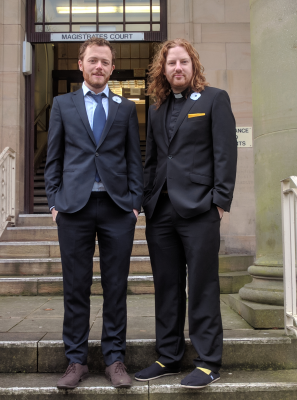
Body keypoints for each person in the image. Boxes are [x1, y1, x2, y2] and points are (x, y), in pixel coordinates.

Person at [134, 38, 237, 389]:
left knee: (204, 285)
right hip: (161, 211)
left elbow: (225, 152)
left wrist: (220, 200)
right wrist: (148, 200)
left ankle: (208, 361)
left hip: (200, 209)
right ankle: (168, 355)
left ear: (193, 66)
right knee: (166, 285)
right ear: (162, 69)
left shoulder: (214, 99)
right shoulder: (158, 105)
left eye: (183, 62)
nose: (177, 68)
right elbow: (153, 160)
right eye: (171, 63)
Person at [45, 37, 143, 390]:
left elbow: (135, 159)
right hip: (74, 208)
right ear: (81, 65)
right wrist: (54, 202)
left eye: (105, 61)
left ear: (112, 68)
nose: (99, 66)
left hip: (118, 209)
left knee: (116, 286)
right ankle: (76, 361)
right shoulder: (62, 104)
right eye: (93, 61)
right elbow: (53, 157)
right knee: (76, 286)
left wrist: (135, 203)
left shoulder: (125, 108)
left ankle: (115, 359)